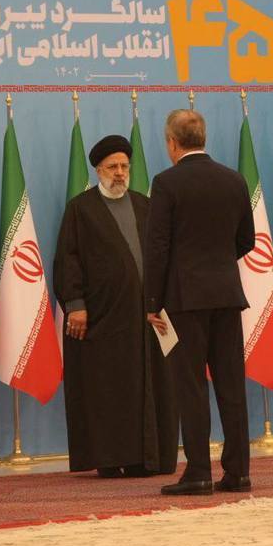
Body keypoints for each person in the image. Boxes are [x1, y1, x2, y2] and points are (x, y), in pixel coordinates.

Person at [54, 135, 178, 479]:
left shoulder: (144, 205)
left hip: (147, 316)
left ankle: (147, 458)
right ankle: (111, 458)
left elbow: (162, 254)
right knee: (109, 388)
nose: (120, 173)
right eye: (113, 167)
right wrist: (75, 305)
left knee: (149, 385)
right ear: (99, 170)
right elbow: (68, 260)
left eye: (124, 166)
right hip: (103, 319)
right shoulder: (81, 209)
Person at [144, 110, 255, 496]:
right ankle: (238, 472)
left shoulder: (166, 183)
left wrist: (152, 300)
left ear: (172, 142)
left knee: (190, 387)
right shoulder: (234, 180)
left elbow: (157, 247)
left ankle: (198, 473)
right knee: (231, 385)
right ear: (202, 137)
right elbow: (247, 240)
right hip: (227, 296)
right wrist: (218, 265)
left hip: (183, 300)